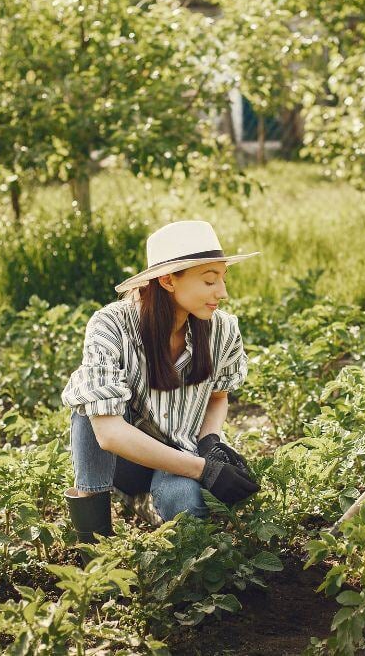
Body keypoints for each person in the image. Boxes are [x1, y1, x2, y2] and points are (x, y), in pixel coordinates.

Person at [62, 220, 261, 546]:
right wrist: (204, 470)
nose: (223, 293)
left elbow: (218, 396)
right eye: (210, 281)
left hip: (183, 454)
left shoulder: (222, 329)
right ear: (168, 280)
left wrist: (209, 443)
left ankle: (149, 507)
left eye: (223, 279)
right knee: (88, 409)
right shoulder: (112, 325)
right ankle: (93, 546)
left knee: (186, 508)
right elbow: (108, 433)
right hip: (124, 461)